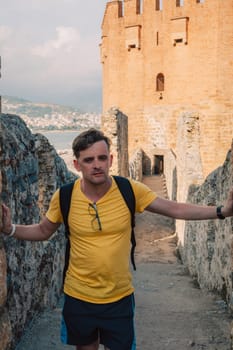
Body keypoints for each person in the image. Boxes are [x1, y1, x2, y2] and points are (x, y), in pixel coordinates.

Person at [1, 128, 233, 350]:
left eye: (102, 158)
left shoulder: (129, 190)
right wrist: (10, 228)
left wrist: (221, 211)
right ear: (76, 164)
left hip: (119, 296)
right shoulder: (65, 196)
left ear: (111, 160)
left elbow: (175, 209)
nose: (97, 165)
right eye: (88, 160)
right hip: (78, 295)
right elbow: (43, 231)